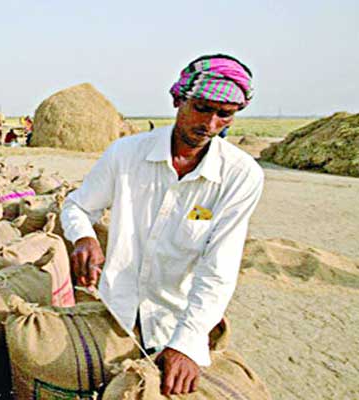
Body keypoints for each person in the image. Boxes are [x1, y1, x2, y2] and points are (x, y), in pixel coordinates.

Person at [60, 54, 262, 396]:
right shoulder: (125, 155)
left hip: (178, 322)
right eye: (201, 108)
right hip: (114, 311)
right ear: (177, 100)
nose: (210, 124)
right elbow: (77, 205)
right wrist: (84, 236)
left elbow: (219, 268)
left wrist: (187, 343)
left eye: (224, 115)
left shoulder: (240, 175)